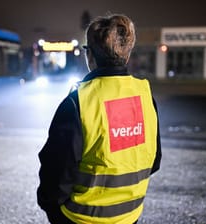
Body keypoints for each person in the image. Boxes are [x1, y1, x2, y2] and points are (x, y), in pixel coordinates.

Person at [37, 13, 161, 224]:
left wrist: (52, 209)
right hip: (130, 216)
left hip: (80, 218)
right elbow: (155, 161)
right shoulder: (145, 95)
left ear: (90, 56)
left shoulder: (79, 102)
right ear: (127, 55)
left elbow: (56, 174)